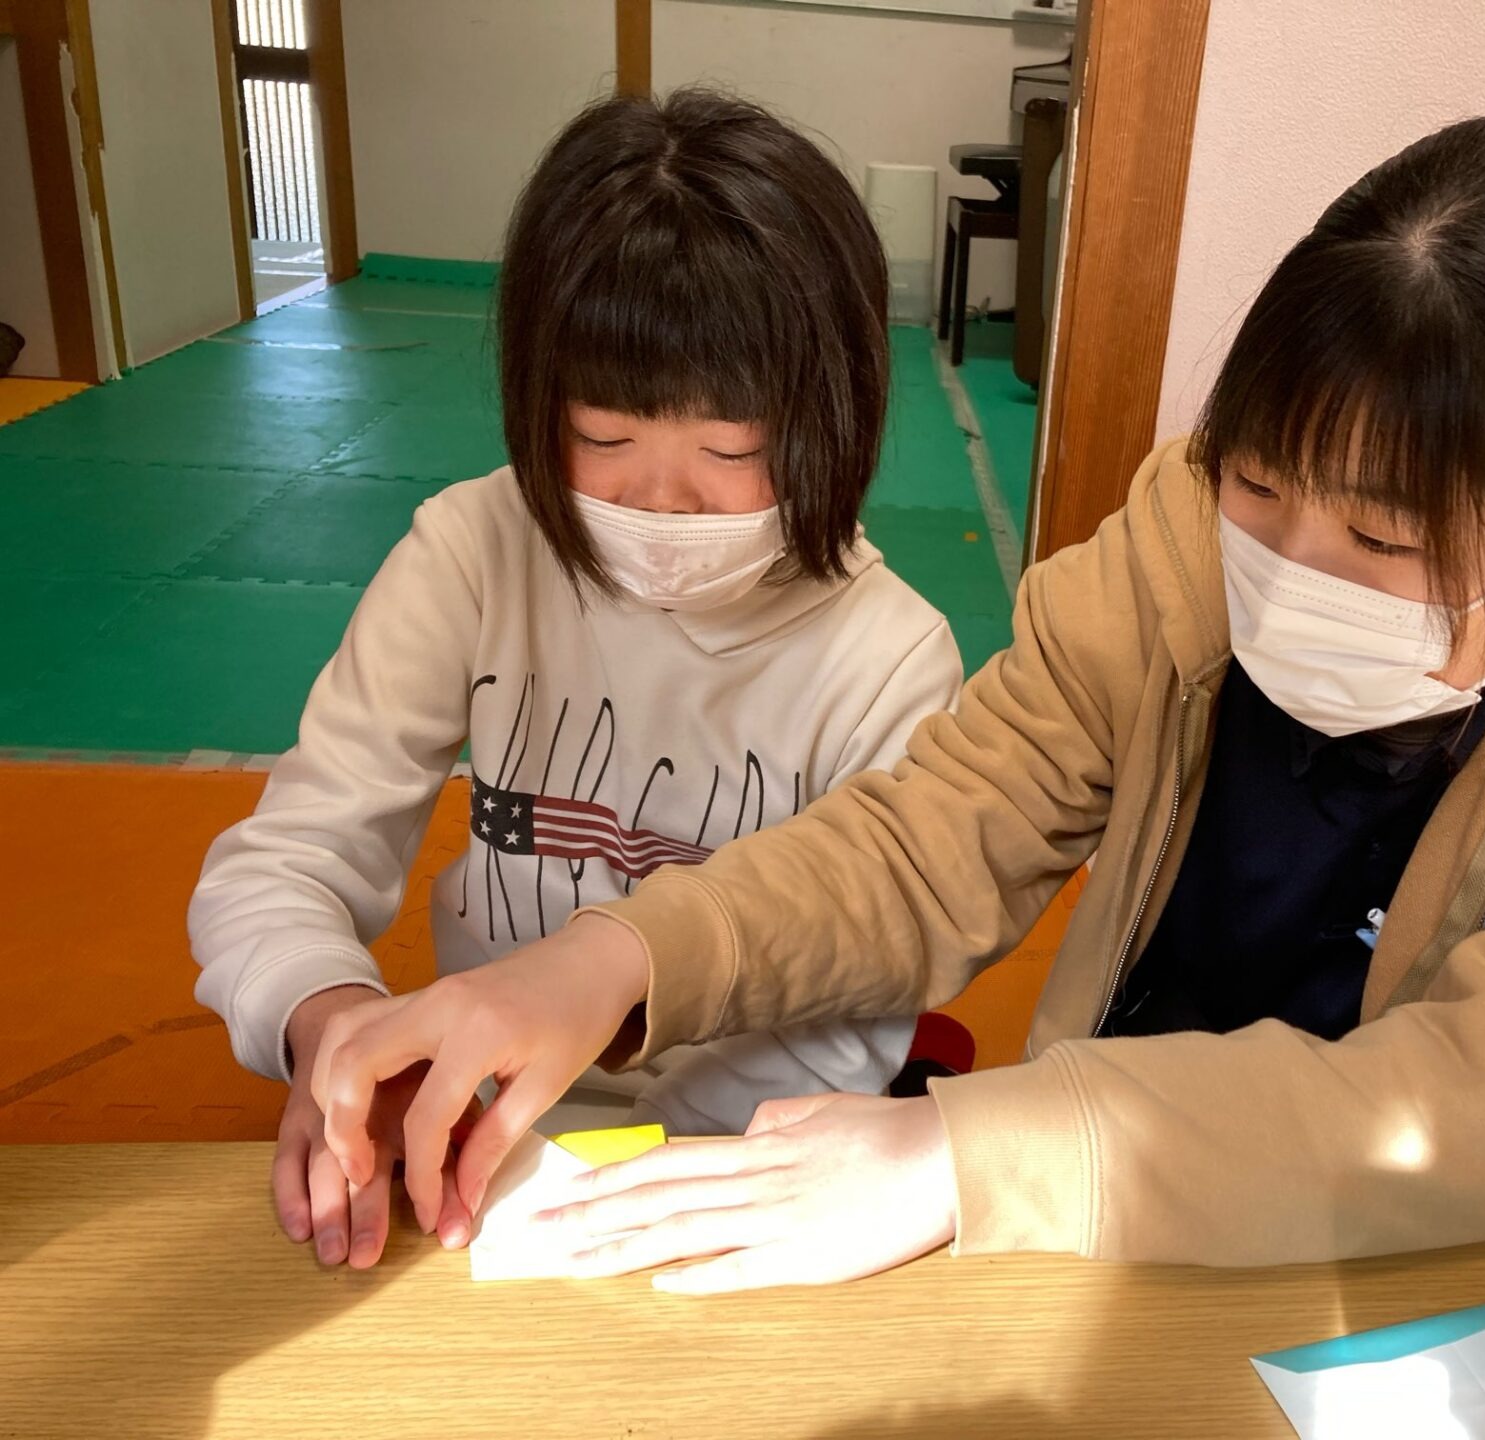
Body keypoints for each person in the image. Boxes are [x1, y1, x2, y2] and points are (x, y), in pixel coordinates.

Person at [307, 116, 1485, 1293]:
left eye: (1379, 542)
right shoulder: (1181, 536)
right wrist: (612, 960)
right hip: (1109, 1205)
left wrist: (970, 1156)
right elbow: (932, 840)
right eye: (1258, 485)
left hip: (1472, 1252)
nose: (1289, 566)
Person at [189, 90, 964, 1270]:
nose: (661, 498)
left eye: (728, 451)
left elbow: (856, 1008)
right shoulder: (473, 553)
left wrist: (600, 1150)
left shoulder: (887, 656)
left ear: (833, 418)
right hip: (477, 1142)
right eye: (603, 438)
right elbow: (288, 856)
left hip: (735, 1161)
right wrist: (336, 1031)